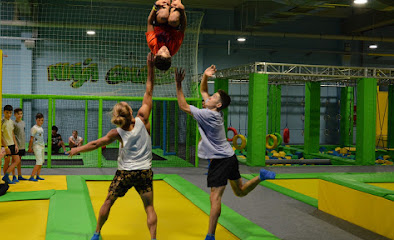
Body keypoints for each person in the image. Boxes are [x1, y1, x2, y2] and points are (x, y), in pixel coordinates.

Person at [175, 65, 276, 240]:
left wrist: (178, 84)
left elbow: (183, 106)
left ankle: (210, 235)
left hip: (221, 161)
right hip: (230, 157)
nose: (209, 97)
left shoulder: (208, 115)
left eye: (213, 97)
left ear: (218, 104)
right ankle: (261, 176)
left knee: (215, 197)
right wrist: (205, 76)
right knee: (241, 191)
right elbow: (204, 90)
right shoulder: (213, 110)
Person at [69, 53, 157, 240]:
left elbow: (95, 144)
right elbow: (149, 90)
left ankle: (97, 233)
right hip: (144, 172)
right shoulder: (143, 119)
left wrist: (76, 149)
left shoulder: (116, 133)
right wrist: (150, 67)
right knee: (149, 207)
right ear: (131, 111)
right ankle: (153, 238)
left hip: (125, 173)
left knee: (109, 201)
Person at [146, 0, 186, 71]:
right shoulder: (174, 48)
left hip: (160, 23)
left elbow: (150, 22)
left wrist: (155, 6)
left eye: (161, 51)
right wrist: (182, 10)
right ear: (170, 56)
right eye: (167, 52)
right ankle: (176, 2)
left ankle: (165, 2)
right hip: (173, 26)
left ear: (155, 55)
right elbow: (183, 27)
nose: (164, 48)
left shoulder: (153, 45)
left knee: (163, 15)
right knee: (173, 19)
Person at [1, 105, 21, 184]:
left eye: (10, 113)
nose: (9, 114)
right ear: (4, 112)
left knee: (17, 160)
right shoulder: (2, 121)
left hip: (12, 144)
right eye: (7, 113)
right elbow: (0, 135)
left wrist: (16, 145)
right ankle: (7, 178)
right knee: (7, 161)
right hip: (6, 145)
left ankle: (6, 176)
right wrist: (5, 147)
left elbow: (12, 134)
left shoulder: (11, 122)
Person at [27, 113, 46, 181]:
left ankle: (38, 175)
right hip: (37, 146)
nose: (41, 122)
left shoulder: (41, 128)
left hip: (42, 146)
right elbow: (31, 139)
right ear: (36, 120)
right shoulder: (34, 128)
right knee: (38, 162)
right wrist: (30, 148)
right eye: (39, 120)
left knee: (41, 161)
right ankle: (32, 176)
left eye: (42, 120)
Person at [13, 108, 27, 181]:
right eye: (18, 114)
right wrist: (15, 144)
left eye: (21, 114)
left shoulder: (23, 123)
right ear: (15, 114)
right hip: (16, 145)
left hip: (22, 145)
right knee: (14, 161)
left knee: (19, 161)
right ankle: (13, 176)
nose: (20, 115)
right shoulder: (14, 123)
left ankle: (19, 175)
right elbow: (13, 135)